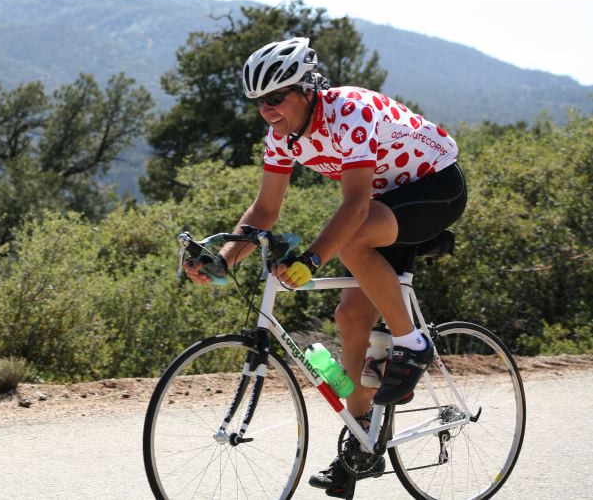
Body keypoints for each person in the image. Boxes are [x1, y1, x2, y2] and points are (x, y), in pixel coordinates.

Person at [183, 37, 467, 496]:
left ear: (306, 89)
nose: (268, 110)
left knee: (349, 242)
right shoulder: (280, 137)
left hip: (435, 187)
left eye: (276, 98)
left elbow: (355, 204)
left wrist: (312, 258)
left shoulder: (348, 112)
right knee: (349, 316)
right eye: (258, 102)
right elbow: (264, 212)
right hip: (385, 204)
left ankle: (413, 345)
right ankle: (361, 447)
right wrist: (223, 257)